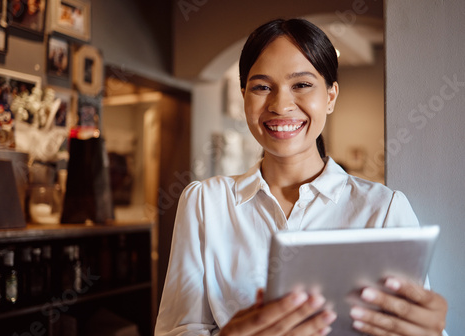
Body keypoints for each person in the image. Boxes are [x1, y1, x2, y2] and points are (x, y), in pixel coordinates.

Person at [155, 18, 448, 336]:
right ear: (244, 96)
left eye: (302, 85)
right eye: (262, 87)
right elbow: (177, 329)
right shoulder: (205, 203)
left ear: (331, 96)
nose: (280, 105)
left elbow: (406, 324)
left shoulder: (383, 209)